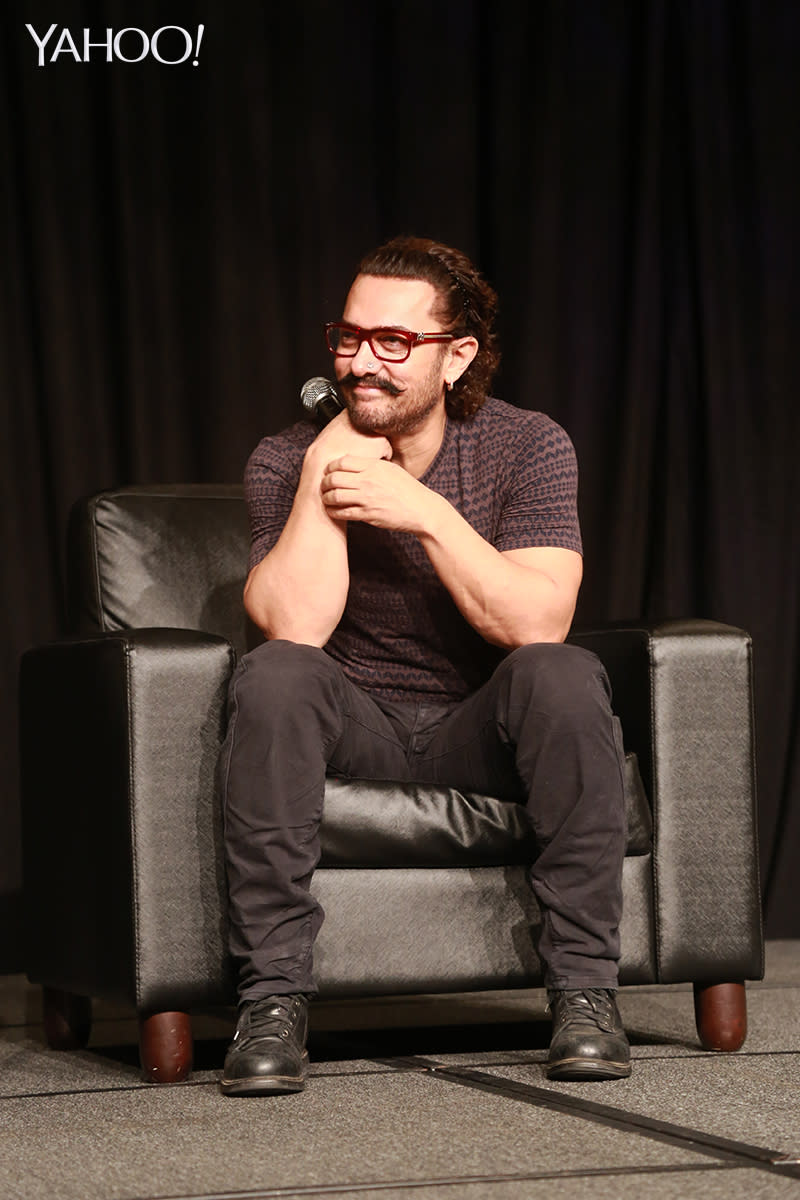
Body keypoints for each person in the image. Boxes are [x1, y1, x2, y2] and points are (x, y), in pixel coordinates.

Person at [218, 235, 630, 1096]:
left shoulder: (528, 446)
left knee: (561, 673)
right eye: (349, 338)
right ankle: (274, 1001)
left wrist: (427, 514)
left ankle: (586, 995)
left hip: (477, 726)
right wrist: (325, 472)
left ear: (457, 356)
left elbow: (537, 619)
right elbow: (293, 625)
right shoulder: (285, 456)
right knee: (275, 675)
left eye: (393, 344)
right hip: (354, 726)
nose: (363, 362)